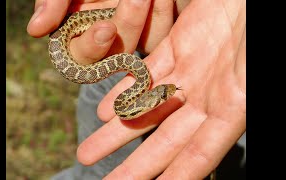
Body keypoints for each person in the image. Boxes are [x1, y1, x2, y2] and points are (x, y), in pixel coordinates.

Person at [27, 0, 246, 179]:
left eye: (162, 95)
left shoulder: (137, 83)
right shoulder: (135, 83)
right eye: (162, 95)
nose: (166, 94)